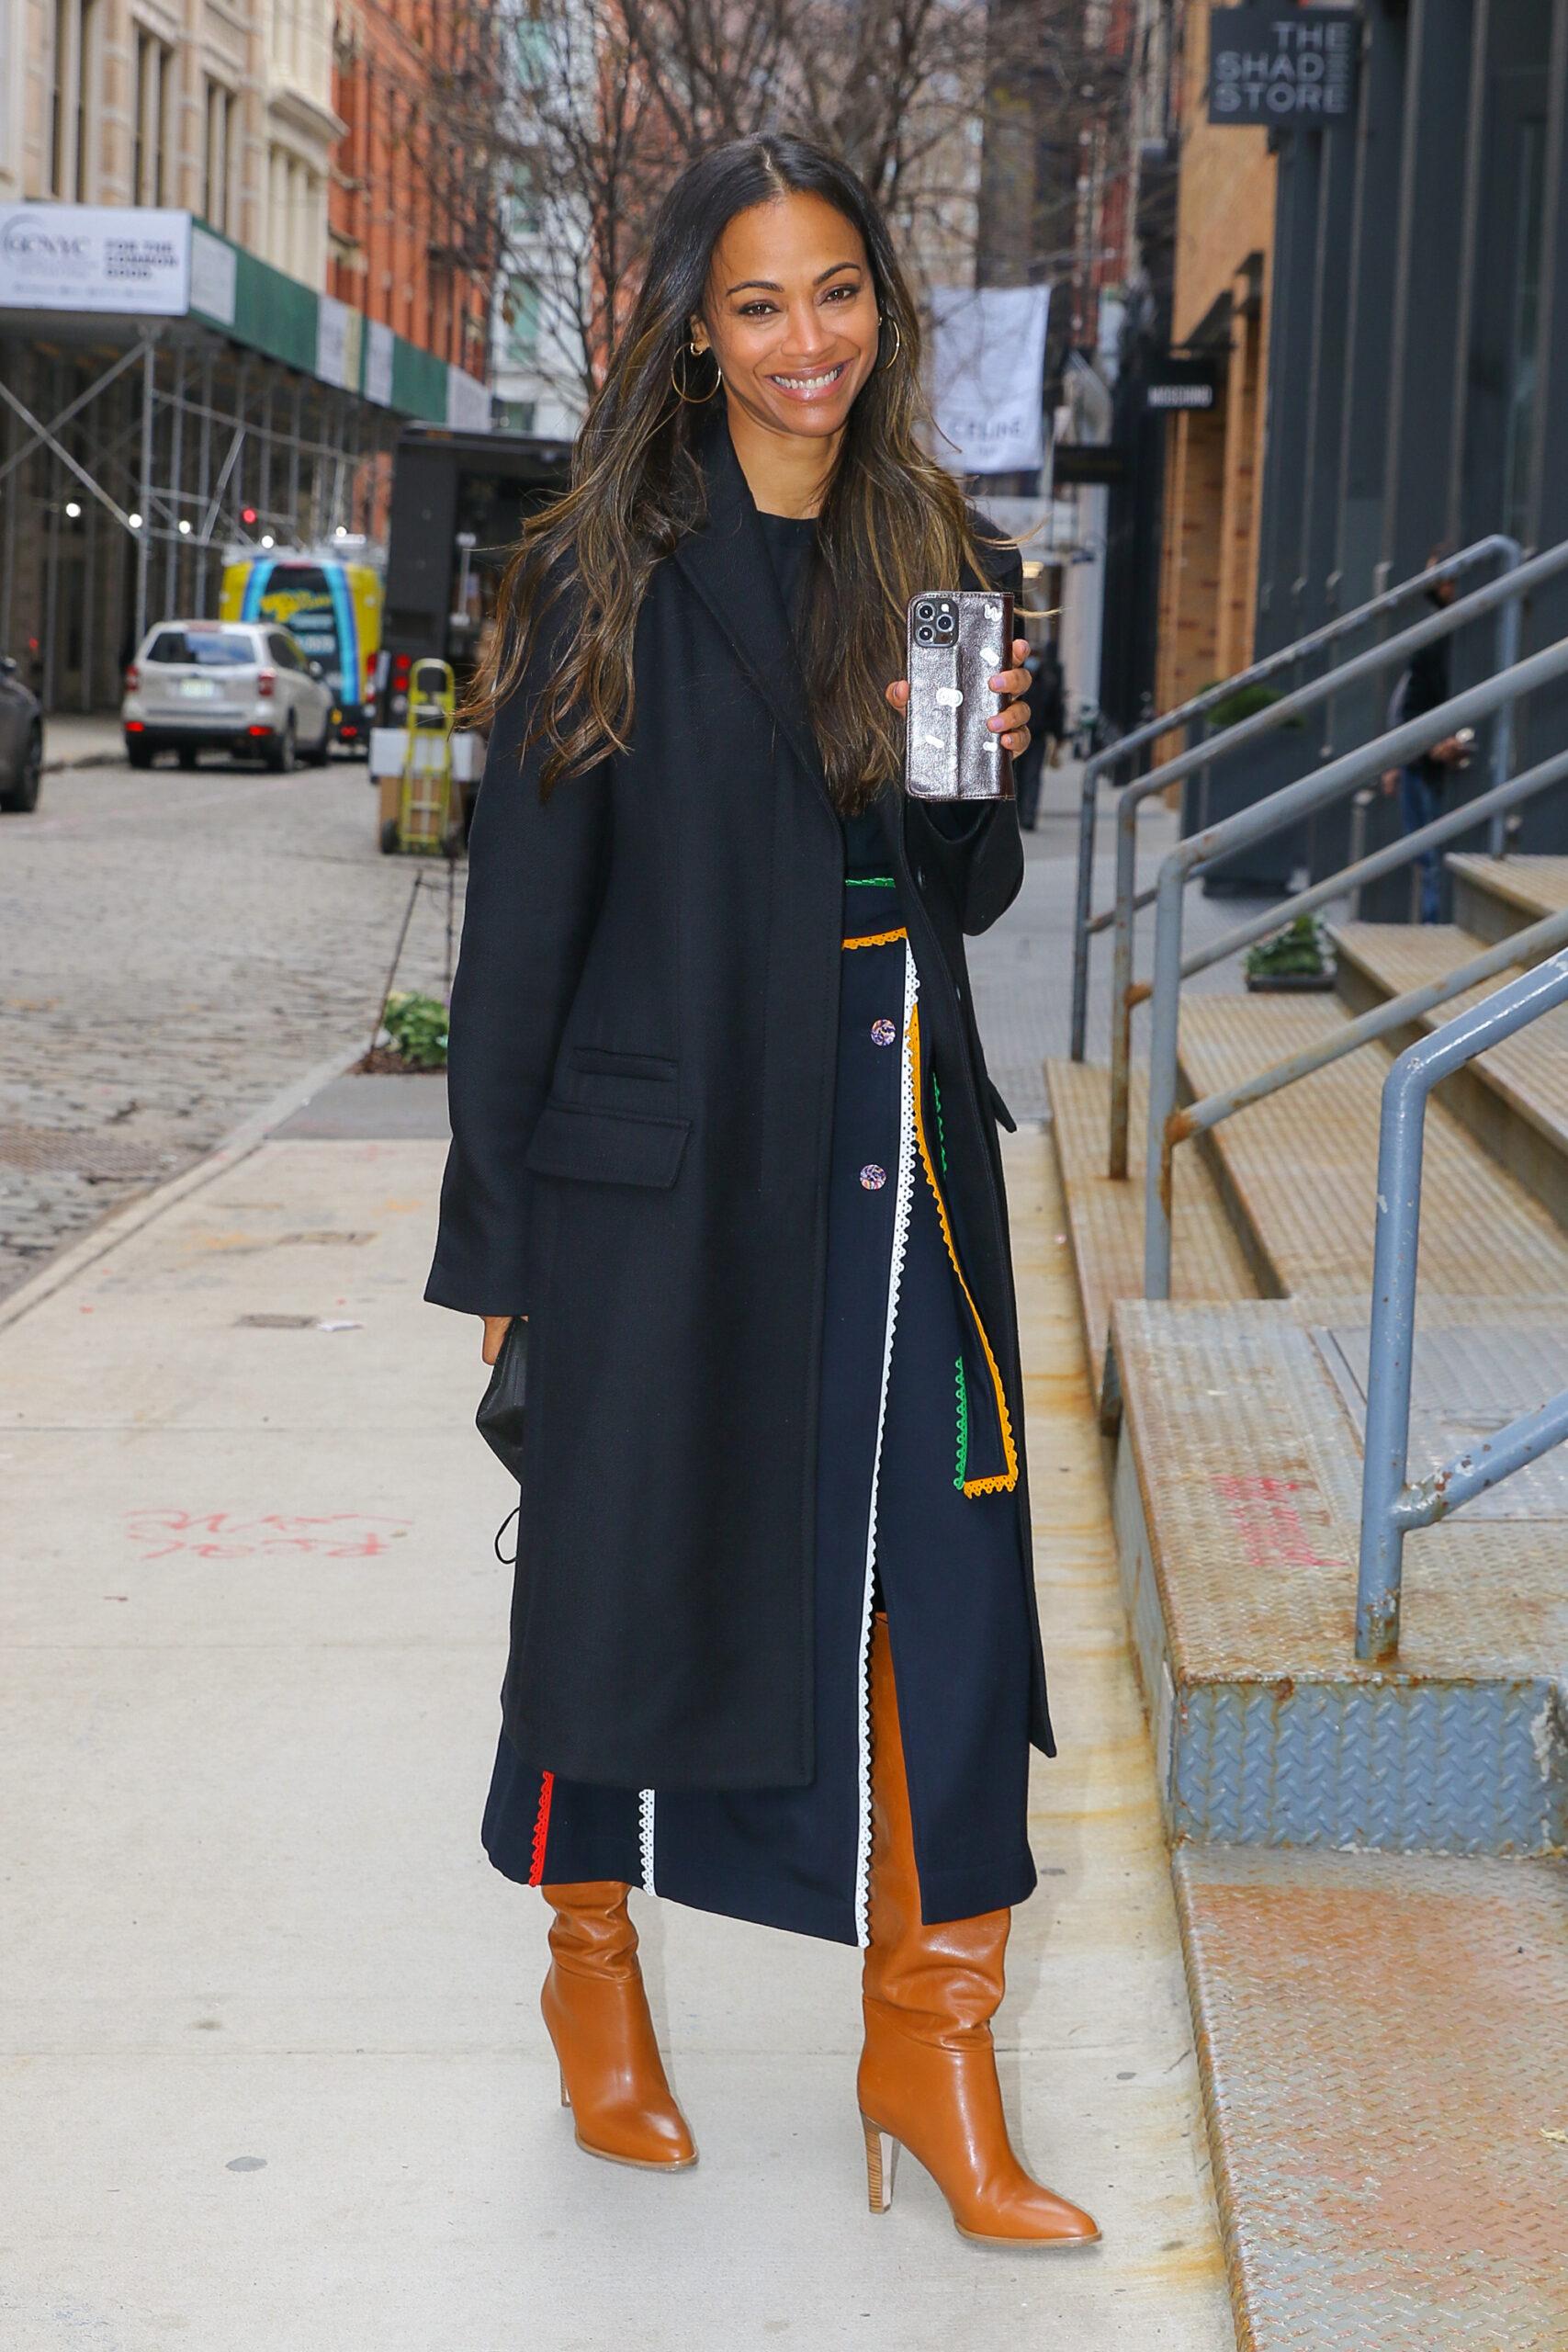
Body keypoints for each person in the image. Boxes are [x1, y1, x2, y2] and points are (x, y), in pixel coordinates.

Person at [425, 133, 1098, 2251]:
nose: (804, 343)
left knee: (945, 1589)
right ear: (689, 330)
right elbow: (516, 937)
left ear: (877, 308)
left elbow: (962, 889)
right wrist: (504, 1253)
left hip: (895, 1156)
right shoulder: (599, 572)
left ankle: (932, 2037)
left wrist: (979, 745)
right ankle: (592, 1969)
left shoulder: (940, 554)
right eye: (755, 304)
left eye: (834, 295)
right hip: (665, 1170)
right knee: (621, 1581)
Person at [1381, 563, 1469, 922]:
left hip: (1441, 762)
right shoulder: (1434, 630)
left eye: (1445, 574)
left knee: (1436, 861)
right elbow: (1407, 699)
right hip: (1419, 758)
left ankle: (1436, 931)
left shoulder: (1465, 633)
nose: (1438, 581)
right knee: (1426, 858)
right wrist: (1396, 755)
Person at [1014, 639, 1066, 830]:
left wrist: (1058, 737)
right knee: (1018, 775)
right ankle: (1019, 812)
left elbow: (1056, 711)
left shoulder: (1047, 681)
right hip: (1019, 733)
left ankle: (1028, 815)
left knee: (1032, 775)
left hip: (1037, 736)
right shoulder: (1020, 680)